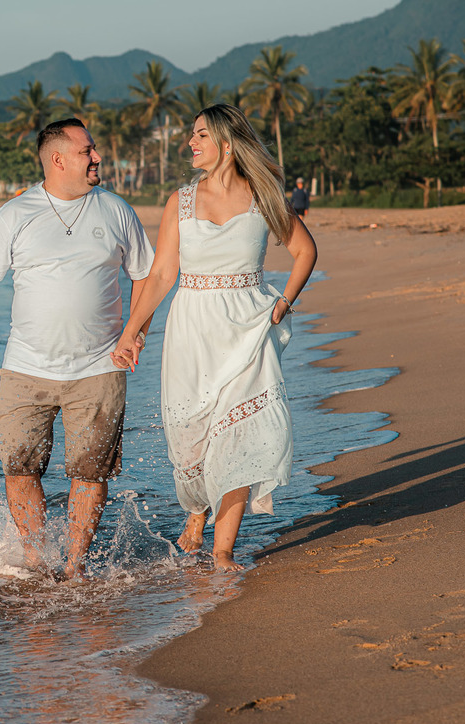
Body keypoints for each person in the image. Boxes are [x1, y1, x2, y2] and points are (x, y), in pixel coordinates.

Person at [0, 118, 155, 579]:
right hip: (26, 368)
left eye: (93, 150)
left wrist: (133, 333)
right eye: (87, 151)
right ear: (58, 159)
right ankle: (36, 560)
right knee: (20, 467)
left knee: (90, 472)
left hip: (99, 367)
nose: (97, 157)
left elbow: (146, 278)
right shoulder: (16, 214)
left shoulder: (115, 210)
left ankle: (73, 566)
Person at [112, 104, 317, 571]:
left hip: (249, 329)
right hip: (193, 328)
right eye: (191, 134)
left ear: (226, 143)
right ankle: (197, 512)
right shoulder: (180, 202)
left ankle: (223, 550)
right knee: (191, 437)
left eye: (200, 134)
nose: (191, 142)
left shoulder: (263, 196)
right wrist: (132, 332)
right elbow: (163, 273)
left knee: (241, 438)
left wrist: (283, 303)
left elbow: (305, 250)